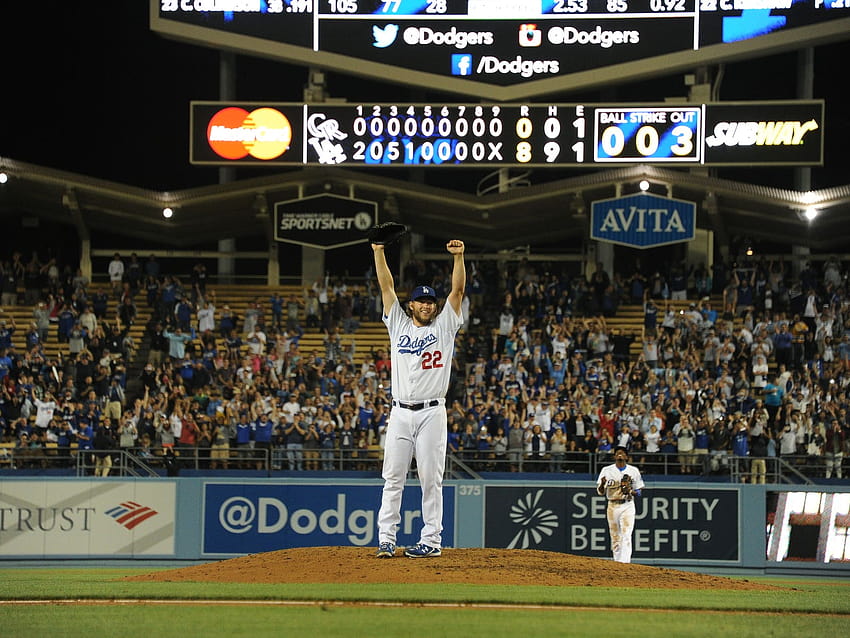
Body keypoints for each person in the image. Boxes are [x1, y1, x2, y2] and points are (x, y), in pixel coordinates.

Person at [373, 238, 466, 559]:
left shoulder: (444, 327)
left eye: (430, 301)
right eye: (421, 301)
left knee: (431, 479)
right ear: (410, 305)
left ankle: (432, 540)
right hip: (399, 412)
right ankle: (386, 538)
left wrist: (458, 257)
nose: (427, 304)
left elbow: (458, 292)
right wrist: (378, 250)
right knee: (393, 478)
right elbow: (386, 287)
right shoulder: (397, 323)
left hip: (431, 413)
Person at [596, 445, 645, 564]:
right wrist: (602, 484)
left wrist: (631, 491)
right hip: (612, 505)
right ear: (614, 456)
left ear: (627, 457)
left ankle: (625, 564)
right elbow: (600, 492)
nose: (620, 454)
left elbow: (639, 492)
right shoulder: (606, 470)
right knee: (615, 537)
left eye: (623, 453)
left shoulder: (633, 471)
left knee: (626, 534)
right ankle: (617, 563)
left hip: (627, 505)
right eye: (617, 453)